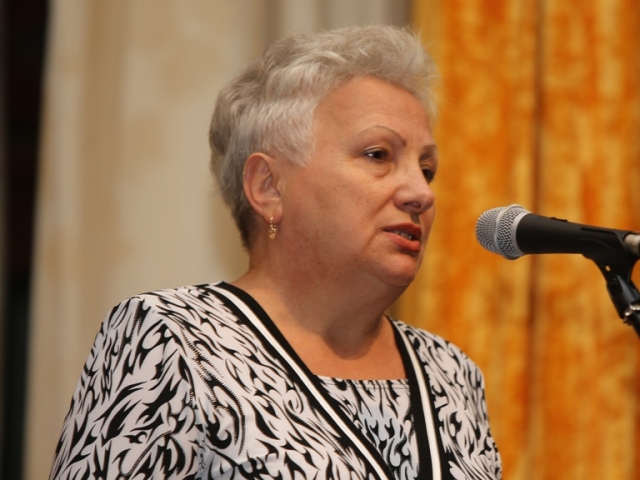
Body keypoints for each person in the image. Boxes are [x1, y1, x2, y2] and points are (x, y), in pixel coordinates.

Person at [49, 25, 502, 480]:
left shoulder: (450, 372)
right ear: (268, 187)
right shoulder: (173, 340)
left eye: (427, 169)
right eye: (378, 154)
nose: (421, 193)